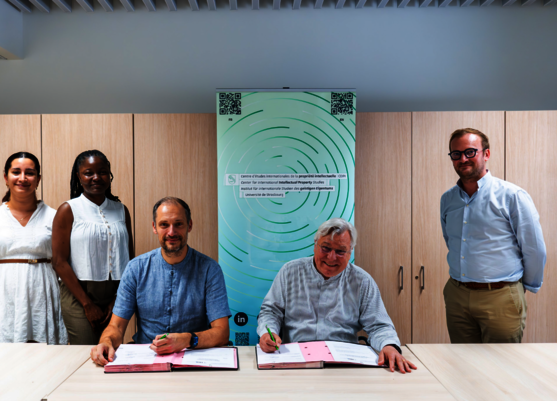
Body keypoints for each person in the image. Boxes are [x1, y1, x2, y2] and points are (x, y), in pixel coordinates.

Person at [257, 218, 416, 374]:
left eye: (340, 251)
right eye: (325, 248)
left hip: (344, 365)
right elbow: (271, 312)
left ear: (350, 251)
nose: (331, 257)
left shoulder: (362, 281)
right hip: (295, 362)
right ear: (315, 245)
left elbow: (379, 325)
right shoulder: (290, 272)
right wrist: (268, 332)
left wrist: (389, 346)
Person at [91, 197, 230, 366]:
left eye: (178, 224)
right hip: (146, 359)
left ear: (189, 225)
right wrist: (106, 341)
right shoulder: (136, 268)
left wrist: (187, 339)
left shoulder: (210, 269)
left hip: (193, 359)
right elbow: (116, 327)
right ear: (154, 227)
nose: (171, 232)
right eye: (164, 225)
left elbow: (222, 333)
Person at [441, 128, 546, 343]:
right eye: (456, 154)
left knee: (501, 362)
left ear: (486, 154)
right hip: (457, 295)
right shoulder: (448, 199)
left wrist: (520, 288)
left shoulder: (512, 195)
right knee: (461, 361)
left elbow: (534, 249)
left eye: (470, 152)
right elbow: (451, 242)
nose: (463, 159)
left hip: (500, 296)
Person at [0, 152, 67, 344]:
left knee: (45, 355)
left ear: (38, 179)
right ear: (6, 177)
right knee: (1, 354)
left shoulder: (55, 217)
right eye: (16, 172)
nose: (22, 178)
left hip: (43, 295)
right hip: (2, 297)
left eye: (29, 173)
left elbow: (63, 263)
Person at [52, 150, 134, 345]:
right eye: (88, 173)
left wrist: (118, 299)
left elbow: (130, 259)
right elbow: (59, 261)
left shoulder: (121, 210)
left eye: (102, 172)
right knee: (86, 350)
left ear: (109, 175)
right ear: (79, 177)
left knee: (112, 349)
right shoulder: (68, 209)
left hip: (115, 294)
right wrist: (87, 304)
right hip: (78, 294)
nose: (96, 177)